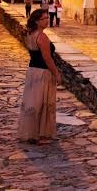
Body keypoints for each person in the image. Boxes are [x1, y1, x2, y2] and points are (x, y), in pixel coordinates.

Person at [17, 9, 62, 144]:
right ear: (37, 21)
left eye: (48, 18)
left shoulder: (30, 34)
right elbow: (47, 59)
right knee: (43, 103)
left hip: (32, 71)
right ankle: (41, 135)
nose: (47, 20)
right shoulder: (42, 37)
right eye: (44, 19)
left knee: (32, 103)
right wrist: (57, 73)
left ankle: (32, 133)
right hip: (43, 72)